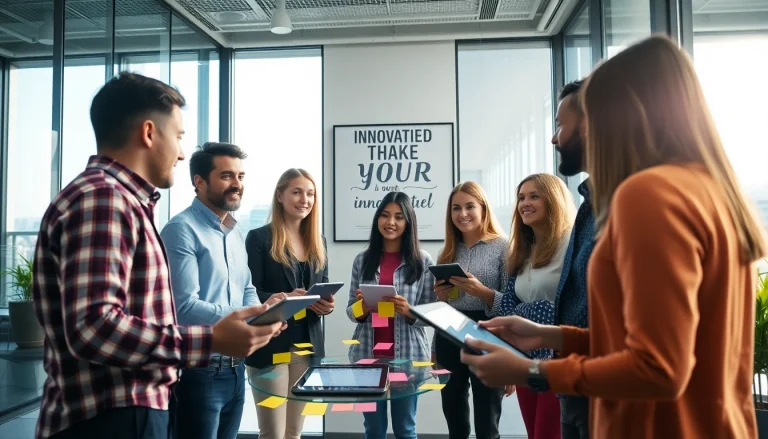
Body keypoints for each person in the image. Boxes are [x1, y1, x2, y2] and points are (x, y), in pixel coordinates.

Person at [461, 35, 767, 439]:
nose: (581, 130)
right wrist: (552, 335)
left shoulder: (648, 196)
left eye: (590, 115)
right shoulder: (708, 192)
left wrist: (531, 370)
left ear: (626, 114)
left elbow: (658, 368)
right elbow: (662, 341)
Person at [31, 72, 283, 439]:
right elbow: (93, 327)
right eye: (178, 136)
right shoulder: (104, 199)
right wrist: (210, 341)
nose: (182, 152)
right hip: (110, 417)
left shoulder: (119, 201)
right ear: (149, 133)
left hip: (127, 410)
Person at [162, 142, 283, 439]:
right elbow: (184, 308)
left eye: (240, 176)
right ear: (199, 182)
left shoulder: (234, 231)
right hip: (198, 371)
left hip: (236, 370)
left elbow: (247, 288)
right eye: (227, 176)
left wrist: (263, 315)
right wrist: (249, 316)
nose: (237, 184)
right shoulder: (181, 230)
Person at [244, 168, 333, 439]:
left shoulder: (319, 242)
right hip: (270, 345)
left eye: (310, 194)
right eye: (297, 192)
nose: (304, 199)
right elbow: (249, 293)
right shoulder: (259, 238)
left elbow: (324, 287)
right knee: (273, 433)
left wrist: (326, 305)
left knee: (294, 432)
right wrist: (282, 299)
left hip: (307, 347)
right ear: (280, 196)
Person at [346, 191, 437, 439]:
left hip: (407, 358)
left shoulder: (423, 261)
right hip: (368, 356)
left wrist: (409, 312)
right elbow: (350, 311)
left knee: (405, 429)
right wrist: (362, 308)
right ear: (377, 220)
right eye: (385, 215)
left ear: (408, 222)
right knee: (373, 429)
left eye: (399, 217)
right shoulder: (362, 260)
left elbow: (432, 314)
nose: (391, 222)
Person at [497, 173, 574, 439]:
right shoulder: (522, 250)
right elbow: (509, 304)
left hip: (559, 360)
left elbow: (578, 306)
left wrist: (530, 312)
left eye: (534, 196)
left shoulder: (570, 244)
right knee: (533, 433)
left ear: (553, 200)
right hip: (524, 361)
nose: (524, 203)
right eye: (521, 198)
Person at [432, 181, 511, 439]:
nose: (462, 214)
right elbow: (443, 307)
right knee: (454, 419)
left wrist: (483, 293)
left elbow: (512, 302)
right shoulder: (446, 253)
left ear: (483, 209)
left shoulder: (503, 247)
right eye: (456, 208)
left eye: (469, 206)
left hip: (488, 332)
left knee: (487, 422)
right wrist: (442, 298)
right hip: (449, 333)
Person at [550, 79, 595, 439]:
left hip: (608, 396)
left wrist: (531, 372)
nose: (554, 139)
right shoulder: (591, 204)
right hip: (574, 387)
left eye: (560, 125)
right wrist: (545, 334)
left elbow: (652, 357)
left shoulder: (637, 206)